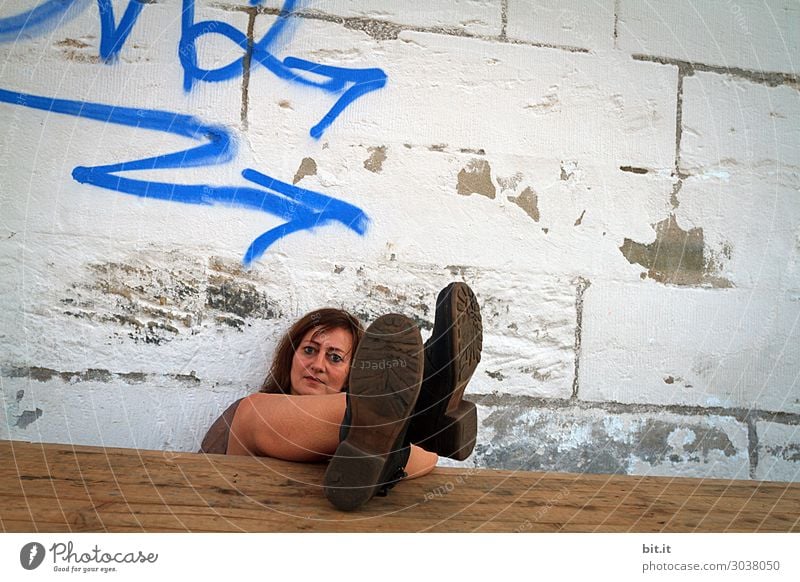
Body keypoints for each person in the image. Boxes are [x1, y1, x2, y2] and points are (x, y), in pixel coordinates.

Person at [200, 282, 483, 511]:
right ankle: (428, 399)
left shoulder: (359, 447)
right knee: (253, 410)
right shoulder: (254, 410)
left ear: (353, 374)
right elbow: (429, 451)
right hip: (223, 516)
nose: (318, 364)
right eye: (309, 350)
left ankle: (414, 412)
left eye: (335, 357)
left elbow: (429, 458)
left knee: (390, 437)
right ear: (291, 357)